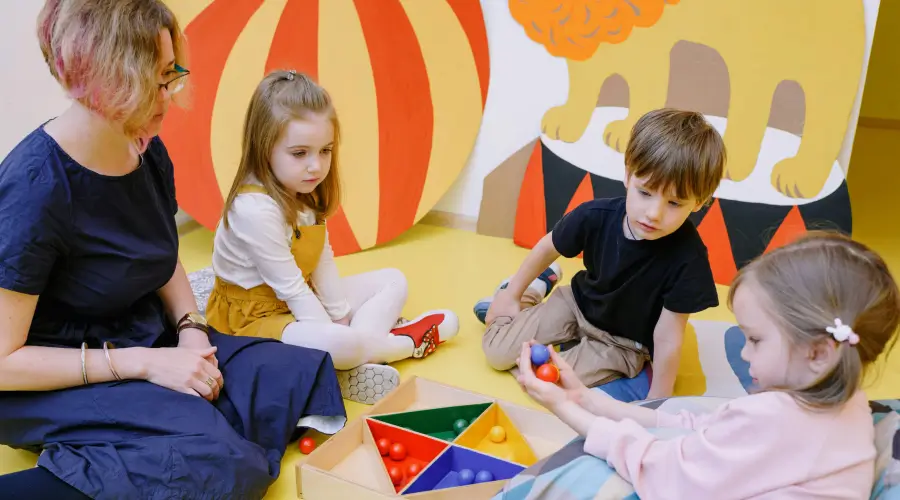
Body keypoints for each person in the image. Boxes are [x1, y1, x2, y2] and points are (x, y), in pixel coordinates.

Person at [0, 1, 347, 498]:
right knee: (220, 460)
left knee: (298, 370)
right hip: (56, 374)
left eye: (172, 75)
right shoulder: (34, 189)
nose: (169, 96)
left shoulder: (146, 150)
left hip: (143, 335)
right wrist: (146, 364)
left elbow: (161, 257)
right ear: (109, 78)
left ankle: (134, 445)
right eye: (158, 80)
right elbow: (4, 362)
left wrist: (191, 331)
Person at [516, 231, 900, 498]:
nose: (744, 354)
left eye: (756, 340)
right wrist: (586, 399)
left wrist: (562, 407)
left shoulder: (774, 419)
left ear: (818, 353)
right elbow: (705, 429)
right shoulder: (849, 403)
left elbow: (664, 472)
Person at [206, 69, 459, 405]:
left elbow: (320, 259)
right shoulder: (254, 209)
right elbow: (291, 288)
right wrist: (334, 332)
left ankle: (358, 358)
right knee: (341, 343)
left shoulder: (302, 189)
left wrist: (340, 315)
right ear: (264, 147)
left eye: (325, 151)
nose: (316, 166)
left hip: (299, 298)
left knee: (393, 280)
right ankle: (403, 343)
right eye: (300, 153)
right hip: (254, 317)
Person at [479, 108, 725, 401]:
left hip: (622, 343)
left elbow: (669, 334)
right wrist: (511, 295)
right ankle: (532, 292)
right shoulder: (596, 215)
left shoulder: (688, 259)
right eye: (645, 193)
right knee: (496, 354)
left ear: (699, 202)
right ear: (628, 175)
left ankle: (537, 301)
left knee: (547, 383)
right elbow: (548, 246)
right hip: (576, 305)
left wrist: (660, 394)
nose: (654, 213)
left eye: (674, 203)